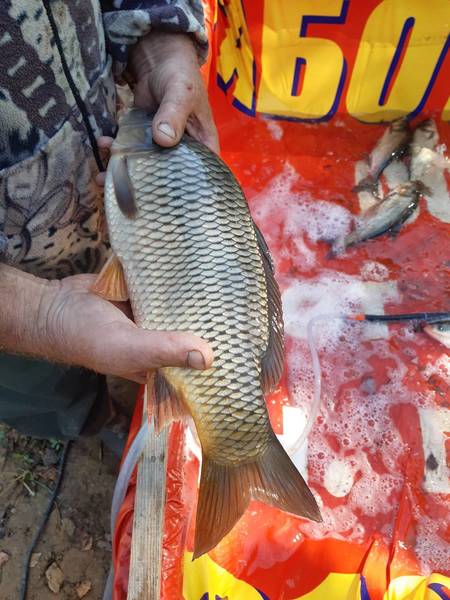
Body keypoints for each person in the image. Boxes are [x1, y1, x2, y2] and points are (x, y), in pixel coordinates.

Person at [0, 1, 218, 441]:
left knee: (130, 326)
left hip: (107, 200)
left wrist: (161, 45)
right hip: (13, 292)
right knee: (44, 386)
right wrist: (41, 317)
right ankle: (92, 422)